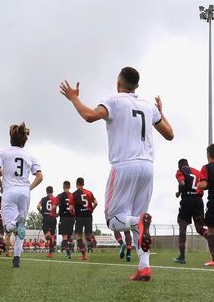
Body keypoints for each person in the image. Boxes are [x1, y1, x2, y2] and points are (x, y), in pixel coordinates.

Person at [60, 66, 173, 281]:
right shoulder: (149, 106)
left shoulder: (113, 100)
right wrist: (161, 111)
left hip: (124, 166)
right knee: (137, 218)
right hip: (148, 167)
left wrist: (74, 98)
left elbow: (89, 116)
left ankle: (140, 228)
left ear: (118, 83)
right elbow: (169, 134)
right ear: (137, 86)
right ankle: (144, 268)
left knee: (114, 220)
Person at [0, 122, 44, 268]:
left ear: (11, 138)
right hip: (24, 193)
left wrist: (2, 186)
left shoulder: (3, 152)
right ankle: (16, 259)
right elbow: (40, 176)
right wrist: (29, 188)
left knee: (8, 227)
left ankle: (16, 224)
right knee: (22, 226)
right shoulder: (30, 156)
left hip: (9, 192)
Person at [173, 157, 207, 264]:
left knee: (182, 227)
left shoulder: (180, 171)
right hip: (198, 201)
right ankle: (211, 238)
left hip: (187, 200)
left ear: (180, 166)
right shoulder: (197, 172)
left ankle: (182, 257)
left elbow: (182, 183)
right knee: (200, 228)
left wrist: (180, 192)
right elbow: (205, 184)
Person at [72, 177, 98, 261]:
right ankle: (92, 239)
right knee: (87, 235)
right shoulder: (89, 193)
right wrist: (91, 209)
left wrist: (74, 214)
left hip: (79, 216)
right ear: (83, 184)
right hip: (88, 215)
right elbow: (96, 203)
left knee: (79, 236)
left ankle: (83, 255)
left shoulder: (74, 194)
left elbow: (71, 209)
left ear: (76, 184)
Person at [37, 185, 59, 258]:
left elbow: (38, 206)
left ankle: (51, 238)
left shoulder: (43, 199)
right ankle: (50, 253)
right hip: (53, 218)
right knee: (51, 236)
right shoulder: (55, 199)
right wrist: (57, 214)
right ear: (52, 191)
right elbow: (58, 207)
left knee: (47, 237)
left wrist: (42, 212)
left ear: (46, 192)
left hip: (46, 218)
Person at [56, 180, 75, 259]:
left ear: (63, 187)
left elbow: (54, 205)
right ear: (70, 187)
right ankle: (70, 251)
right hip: (71, 218)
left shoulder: (59, 196)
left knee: (64, 237)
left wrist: (56, 213)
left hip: (63, 218)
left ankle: (68, 254)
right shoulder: (73, 195)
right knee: (70, 236)